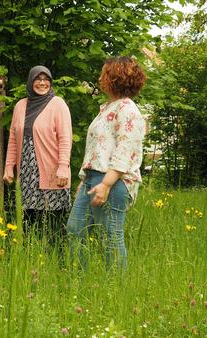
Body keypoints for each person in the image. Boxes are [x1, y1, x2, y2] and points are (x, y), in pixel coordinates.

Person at [66, 56, 146, 270]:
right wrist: (84, 180)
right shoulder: (108, 108)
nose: (100, 78)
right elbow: (97, 148)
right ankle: (80, 278)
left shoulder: (127, 109)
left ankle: (117, 287)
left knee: (111, 235)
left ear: (115, 77)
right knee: (75, 228)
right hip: (94, 178)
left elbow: (125, 149)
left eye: (104, 74)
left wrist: (107, 184)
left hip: (113, 180)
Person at [3, 65, 72, 238]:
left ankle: (56, 258)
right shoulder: (20, 105)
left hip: (52, 171)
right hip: (26, 172)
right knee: (29, 219)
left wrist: (63, 167)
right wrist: (9, 166)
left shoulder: (58, 104)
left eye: (46, 79)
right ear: (30, 81)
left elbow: (65, 139)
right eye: (38, 79)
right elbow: (13, 138)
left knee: (52, 221)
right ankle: (31, 257)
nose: (42, 83)